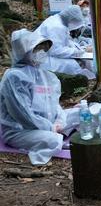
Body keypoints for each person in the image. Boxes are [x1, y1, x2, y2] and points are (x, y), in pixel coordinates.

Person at [0, 30, 81, 165]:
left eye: (42, 48)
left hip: (47, 122)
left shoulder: (44, 74)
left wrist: (59, 120)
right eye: (36, 49)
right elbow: (22, 114)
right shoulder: (14, 77)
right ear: (24, 51)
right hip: (20, 130)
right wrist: (50, 127)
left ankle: (59, 131)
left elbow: (54, 104)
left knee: (82, 112)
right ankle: (61, 137)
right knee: (52, 140)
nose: (41, 52)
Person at [34, 5, 95, 79]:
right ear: (71, 19)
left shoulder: (58, 20)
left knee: (80, 62)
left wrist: (81, 49)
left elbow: (66, 41)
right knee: (74, 65)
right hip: (41, 58)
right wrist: (78, 52)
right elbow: (56, 51)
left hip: (45, 54)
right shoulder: (56, 27)